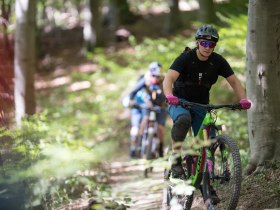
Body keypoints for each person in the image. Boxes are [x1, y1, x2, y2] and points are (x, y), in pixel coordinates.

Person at [163, 24, 251, 201]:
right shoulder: (185, 58)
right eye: (204, 43)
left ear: (215, 46)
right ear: (197, 43)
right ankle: (176, 160)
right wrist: (169, 95)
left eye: (211, 45)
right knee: (183, 119)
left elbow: (234, 82)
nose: (207, 47)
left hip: (201, 105)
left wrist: (243, 99)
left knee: (206, 142)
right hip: (179, 101)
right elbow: (169, 78)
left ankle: (206, 186)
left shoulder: (217, 61)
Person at [128, 62, 167, 158]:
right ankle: (140, 142)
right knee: (145, 119)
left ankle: (160, 148)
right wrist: (131, 100)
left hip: (161, 106)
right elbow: (134, 91)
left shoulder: (164, 81)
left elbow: (170, 94)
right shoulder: (145, 79)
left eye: (158, 76)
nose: (155, 78)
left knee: (161, 128)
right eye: (153, 75)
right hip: (148, 105)